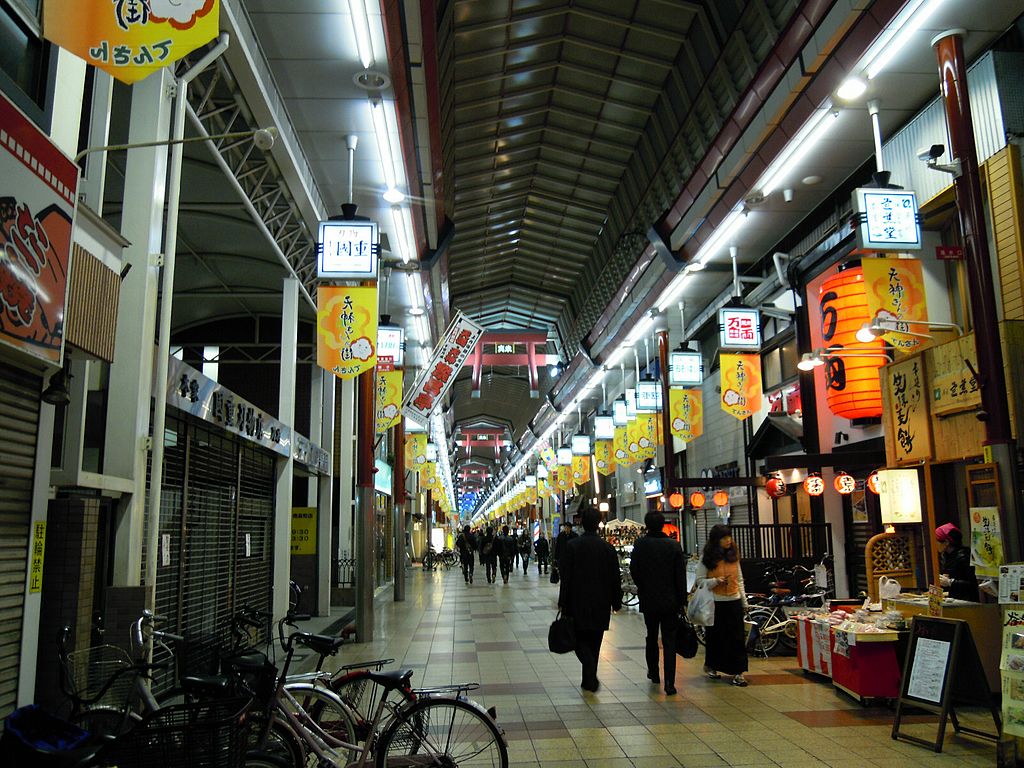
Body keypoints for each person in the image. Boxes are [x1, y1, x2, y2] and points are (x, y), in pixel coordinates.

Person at [558, 507, 621, 692]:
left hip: (577, 602)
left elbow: (566, 577)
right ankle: (589, 678)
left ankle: (589, 677)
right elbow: (614, 578)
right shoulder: (608, 548)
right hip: (601, 603)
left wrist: (563, 601)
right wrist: (616, 601)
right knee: (595, 641)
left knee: (579, 640)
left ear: (581, 523)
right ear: (598, 524)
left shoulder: (572, 547)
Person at [630, 511, 687, 695]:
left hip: (649, 599)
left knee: (651, 636)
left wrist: (643, 586)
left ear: (647, 525)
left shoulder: (640, 545)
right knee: (669, 641)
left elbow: (634, 570)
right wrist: (682, 600)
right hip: (670, 601)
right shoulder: (673, 546)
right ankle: (670, 683)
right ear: (663, 525)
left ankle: (654, 673)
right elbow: (680, 576)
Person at [694, 524, 748, 687]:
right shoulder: (707, 559)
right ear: (716, 540)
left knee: (737, 638)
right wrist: (714, 581)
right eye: (724, 538)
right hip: (715, 603)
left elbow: (739, 579)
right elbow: (699, 581)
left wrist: (744, 601)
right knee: (716, 637)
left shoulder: (734, 556)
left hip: (734, 601)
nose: (728, 541)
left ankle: (738, 672)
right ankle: (712, 666)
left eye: (729, 537)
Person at [936, 522, 979, 601]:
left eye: (937, 541)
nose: (935, 544)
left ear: (946, 542)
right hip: (956, 600)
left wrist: (950, 582)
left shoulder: (964, 556)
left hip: (969, 603)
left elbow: (973, 584)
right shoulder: (947, 556)